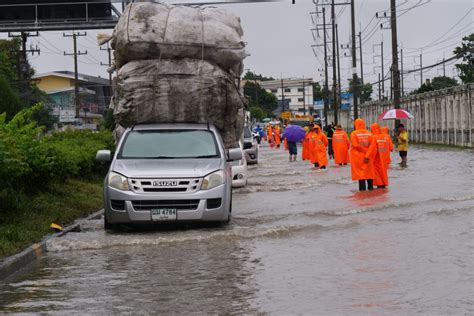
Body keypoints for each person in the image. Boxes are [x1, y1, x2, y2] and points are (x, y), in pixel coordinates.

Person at [350, 118, 376, 191]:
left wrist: (365, 152)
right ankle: (371, 191)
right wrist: (367, 154)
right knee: (369, 174)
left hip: (358, 157)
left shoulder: (354, 134)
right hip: (369, 156)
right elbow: (372, 146)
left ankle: (363, 194)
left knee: (361, 175)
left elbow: (355, 145)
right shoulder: (369, 133)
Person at [370, 123, 389, 188]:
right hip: (385, 158)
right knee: (383, 171)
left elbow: (372, 148)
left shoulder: (374, 137)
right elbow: (390, 148)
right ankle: (384, 184)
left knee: (377, 172)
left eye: (371, 129)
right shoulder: (385, 137)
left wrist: (367, 156)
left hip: (376, 159)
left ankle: (380, 186)